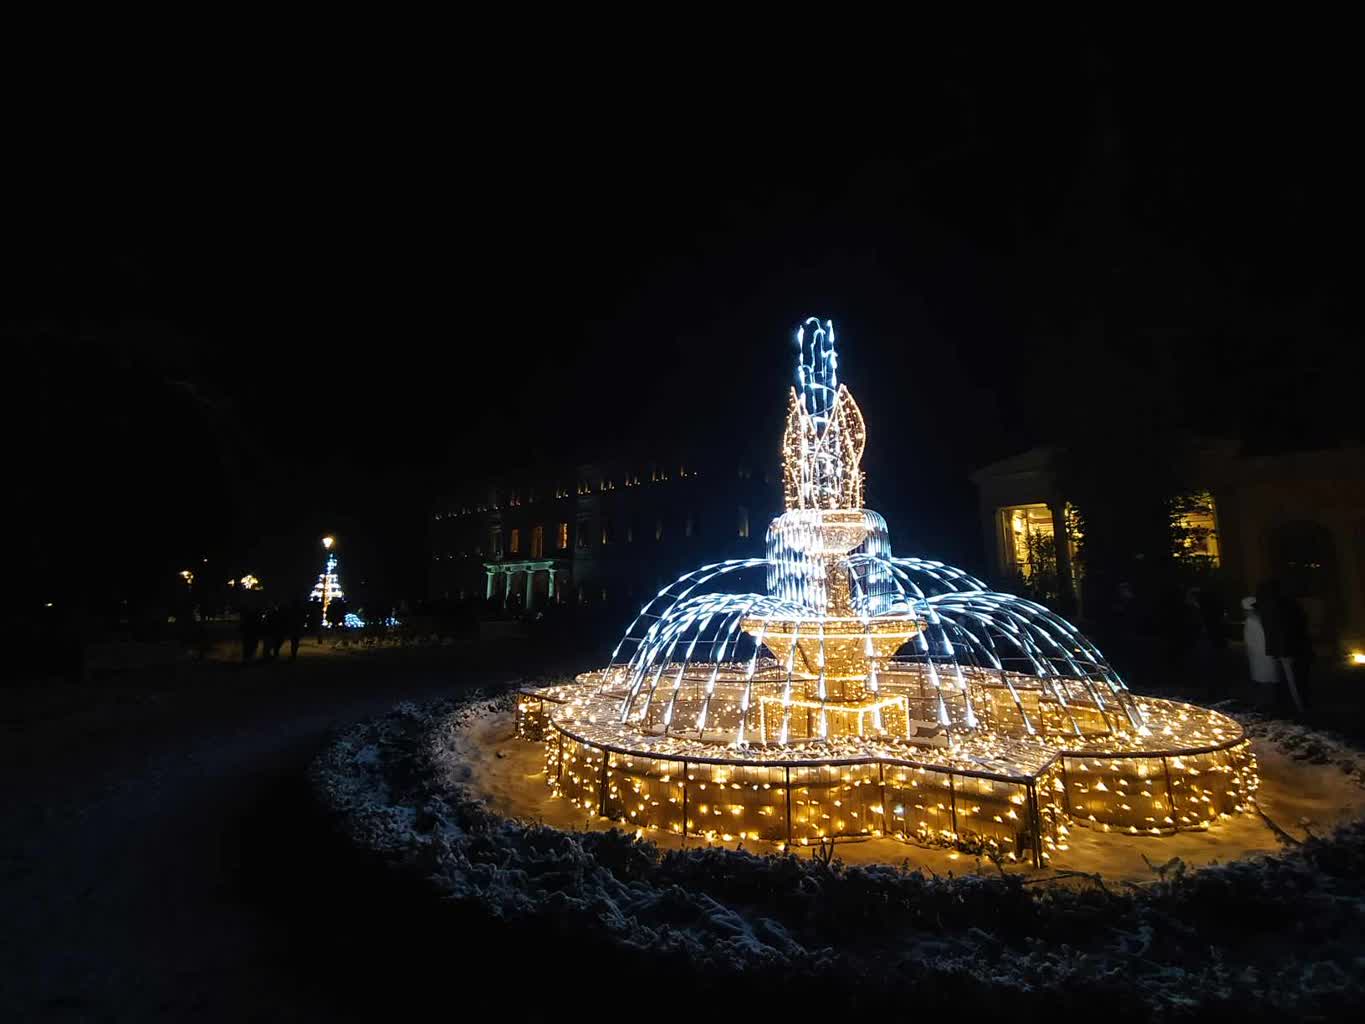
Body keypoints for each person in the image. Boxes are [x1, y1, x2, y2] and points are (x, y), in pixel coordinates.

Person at [1258, 579, 1311, 714]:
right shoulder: (1286, 604)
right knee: (1294, 678)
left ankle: (1300, 708)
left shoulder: (1275, 607)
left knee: (1293, 680)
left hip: (1287, 648)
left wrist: (1280, 650)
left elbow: (1279, 630)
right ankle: (1296, 704)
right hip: (1293, 647)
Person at [1241, 595, 1278, 706]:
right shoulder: (1261, 618)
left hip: (1259, 657)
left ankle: (1265, 705)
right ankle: (1269, 703)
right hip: (1267, 656)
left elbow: (1250, 642)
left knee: (1263, 682)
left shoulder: (1250, 621)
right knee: (1268, 680)